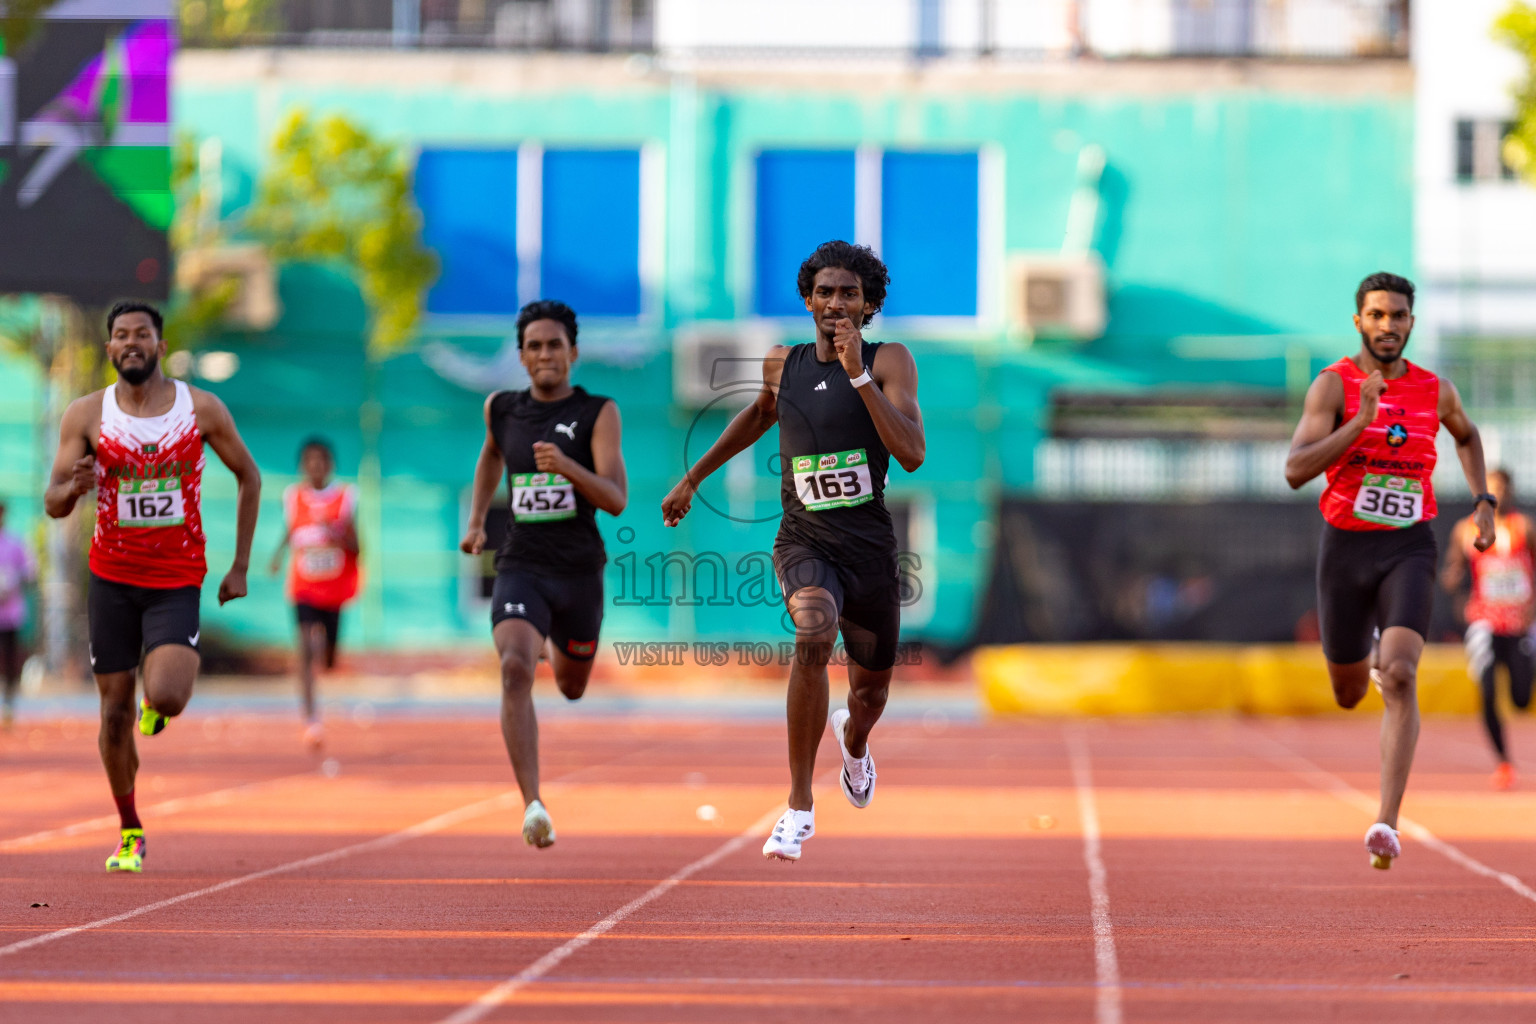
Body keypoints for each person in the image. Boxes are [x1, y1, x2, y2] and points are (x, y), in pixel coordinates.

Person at [662, 240, 925, 862]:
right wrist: (693, 478)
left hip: (868, 549)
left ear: (870, 305)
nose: (836, 303)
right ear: (808, 299)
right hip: (804, 538)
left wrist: (860, 374)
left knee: (870, 697)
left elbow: (911, 453)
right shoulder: (784, 363)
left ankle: (855, 746)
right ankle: (799, 806)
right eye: (826, 291)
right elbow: (757, 416)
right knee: (813, 631)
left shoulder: (891, 361)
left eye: (850, 294)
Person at [1285, 272, 1495, 870]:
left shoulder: (1436, 391)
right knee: (1350, 693)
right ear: (1359, 322)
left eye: (1398, 316)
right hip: (1345, 552)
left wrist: (1484, 502)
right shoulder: (1333, 387)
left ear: (1410, 322)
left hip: (1408, 547)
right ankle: (1369, 660)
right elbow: (1295, 470)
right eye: (1376, 315)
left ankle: (1387, 822)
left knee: (1401, 675)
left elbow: (1468, 435)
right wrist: (1360, 422)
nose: (1387, 326)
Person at [44, 301, 261, 873]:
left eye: (143, 333)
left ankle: (156, 705)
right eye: (121, 335)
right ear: (109, 349)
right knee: (112, 716)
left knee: (165, 695)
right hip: (111, 578)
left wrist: (239, 564)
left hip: (175, 578)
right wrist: (75, 488)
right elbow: (52, 502)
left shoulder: (201, 409)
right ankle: (130, 829)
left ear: (161, 346)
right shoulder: (87, 415)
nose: (131, 342)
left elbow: (249, 476)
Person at [460, 300, 627, 850]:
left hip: (578, 571)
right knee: (513, 667)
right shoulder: (500, 409)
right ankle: (533, 803)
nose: (545, 354)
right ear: (521, 356)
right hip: (521, 563)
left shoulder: (598, 411)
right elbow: (490, 457)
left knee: (573, 687)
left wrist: (567, 466)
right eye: (534, 346)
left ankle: (560, 642)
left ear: (573, 353)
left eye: (554, 344)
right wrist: (479, 518)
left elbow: (617, 498)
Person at [1441, 468, 1534, 790]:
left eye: (1502, 489)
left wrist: (1531, 609)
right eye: (1490, 490)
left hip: (1519, 622)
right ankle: (1504, 761)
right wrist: (1454, 581)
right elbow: (1454, 569)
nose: (1497, 496)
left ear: (1511, 492)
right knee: (1488, 690)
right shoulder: (1465, 530)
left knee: (1522, 697)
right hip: (1484, 619)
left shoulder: (1525, 528)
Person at [268, 437, 359, 751]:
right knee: (305, 648)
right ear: (302, 466)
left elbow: (358, 546)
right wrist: (278, 555)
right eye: (310, 461)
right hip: (303, 586)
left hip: (334, 589)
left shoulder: (346, 497)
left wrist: (337, 533)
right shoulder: (293, 496)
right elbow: (291, 529)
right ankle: (311, 719)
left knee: (329, 659)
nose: (316, 467)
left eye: (322, 461)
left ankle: (329, 655)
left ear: (330, 465)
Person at [0, 499, 37, 728]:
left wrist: (12, 584)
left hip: (10, 614)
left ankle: (9, 705)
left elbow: (30, 573)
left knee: (10, 659)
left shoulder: (15, 543)